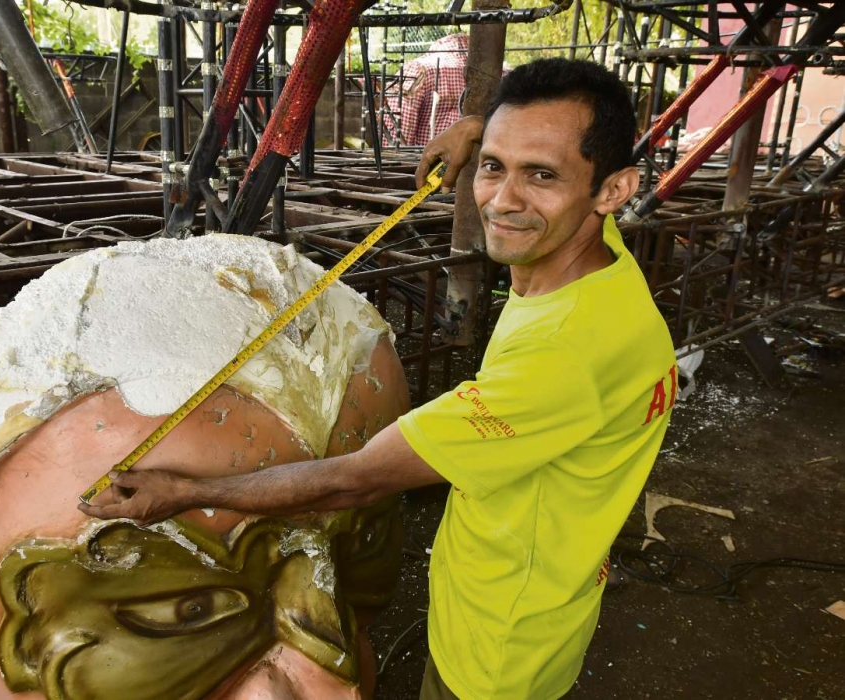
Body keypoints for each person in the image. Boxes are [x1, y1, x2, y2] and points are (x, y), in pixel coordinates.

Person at [81, 58, 677, 700]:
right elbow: (532, 153)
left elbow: (352, 478)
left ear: (613, 190)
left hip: (500, 649)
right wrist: (474, 129)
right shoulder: (600, 276)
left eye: (542, 175)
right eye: (494, 165)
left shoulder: (563, 357)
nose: (501, 200)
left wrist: (180, 489)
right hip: (552, 587)